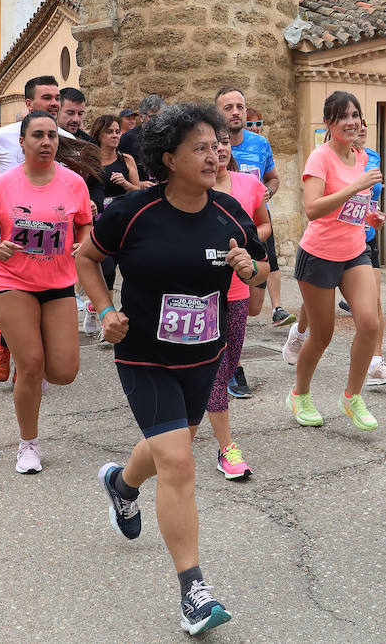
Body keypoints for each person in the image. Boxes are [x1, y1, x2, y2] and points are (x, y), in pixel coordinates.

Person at [76, 103, 267, 636]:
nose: (215, 154)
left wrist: (250, 271)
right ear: (169, 159)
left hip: (203, 355)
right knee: (180, 462)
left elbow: (260, 268)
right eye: (201, 148)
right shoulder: (133, 212)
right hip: (143, 353)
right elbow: (85, 257)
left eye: (217, 145)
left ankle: (122, 482)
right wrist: (106, 310)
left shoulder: (230, 212)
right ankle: (194, 592)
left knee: (170, 445)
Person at [0, 111, 94, 474]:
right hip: (13, 283)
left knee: (65, 371)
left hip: (57, 285)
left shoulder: (73, 183)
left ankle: (5, 339)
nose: (46, 142)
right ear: (21, 142)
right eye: (37, 135)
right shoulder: (2, 185)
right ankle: (29, 445)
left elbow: (85, 225)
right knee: (32, 365)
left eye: (52, 136)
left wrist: (81, 246)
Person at [286, 90, 384, 430]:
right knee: (322, 335)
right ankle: (300, 393)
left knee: (369, 324)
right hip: (319, 255)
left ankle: (352, 397)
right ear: (329, 123)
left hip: (355, 251)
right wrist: (355, 186)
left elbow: (351, 208)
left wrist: (370, 216)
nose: (352, 122)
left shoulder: (361, 157)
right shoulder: (320, 158)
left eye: (355, 115)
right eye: (343, 116)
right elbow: (313, 209)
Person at [0, 76, 63, 380]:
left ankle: (15, 345)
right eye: (47, 97)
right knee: (22, 300)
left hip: (52, 235)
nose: (54, 103)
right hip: (8, 232)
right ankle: (15, 351)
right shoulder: (1, 136)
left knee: (43, 305)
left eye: (57, 97)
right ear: (28, 103)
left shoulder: (64, 138)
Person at [205, 124, 271, 474]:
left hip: (238, 287)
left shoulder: (248, 186)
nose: (220, 150)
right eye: (213, 145)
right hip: (202, 293)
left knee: (230, 364)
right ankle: (226, 448)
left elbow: (263, 224)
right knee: (216, 371)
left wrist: (244, 242)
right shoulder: (193, 190)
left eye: (225, 143)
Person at [215, 86, 291, 335]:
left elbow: (273, 178)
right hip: (218, 233)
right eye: (228, 108)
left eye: (240, 107)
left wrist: (268, 191)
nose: (236, 112)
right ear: (217, 113)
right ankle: (228, 359)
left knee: (254, 307)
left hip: (257, 229)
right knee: (222, 297)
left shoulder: (260, 143)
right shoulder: (212, 146)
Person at [337, 120, 386, 386]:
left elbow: (369, 197)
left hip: (365, 238)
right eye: (354, 122)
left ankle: (375, 364)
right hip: (333, 240)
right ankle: (299, 333)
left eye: (364, 123)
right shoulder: (327, 157)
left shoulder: (372, 156)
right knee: (317, 315)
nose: (361, 127)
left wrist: (374, 215)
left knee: (374, 302)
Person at [80, 113, 152, 336]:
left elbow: (138, 190)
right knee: (108, 270)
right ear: (99, 134)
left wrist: (126, 183)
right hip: (98, 222)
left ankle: (95, 308)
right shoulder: (88, 159)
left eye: (117, 131)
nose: (114, 135)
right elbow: (78, 187)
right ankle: (106, 320)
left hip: (124, 223)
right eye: (109, 131)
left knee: (128, 268)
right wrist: (88, 203)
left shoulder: (126, 160)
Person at [118, 94, 164, 179]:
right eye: (153, 117)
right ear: (141, 117)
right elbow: (119, 169)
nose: (158, 121)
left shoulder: (167, 136)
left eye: (160, 117)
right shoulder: (128, 138)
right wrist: (138, 184)